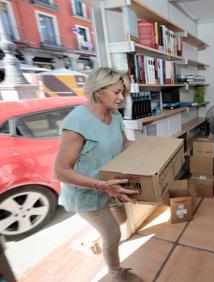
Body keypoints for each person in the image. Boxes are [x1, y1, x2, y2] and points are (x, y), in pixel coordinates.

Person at [55, 67, 142, 282]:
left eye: (123, 92)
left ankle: (88, 241)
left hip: (109, 186)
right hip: (88, 191)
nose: (122, 98)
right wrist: (100, 185)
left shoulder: (114, 115)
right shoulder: (78, 122)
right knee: (113, 234)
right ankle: (116, 275)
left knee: (121, 217)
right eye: (117, 92)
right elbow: (61, 171)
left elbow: (123, 143)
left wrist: (150, 149)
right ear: (98, 91)